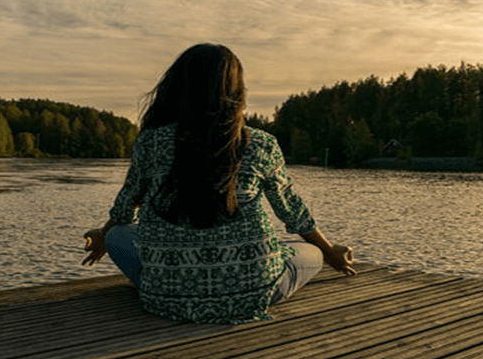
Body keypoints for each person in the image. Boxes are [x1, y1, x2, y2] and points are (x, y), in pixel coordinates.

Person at [81, 43, 355, 324]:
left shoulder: (151, 141)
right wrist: (329, 250)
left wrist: (104, 234)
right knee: (310, 253)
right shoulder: (260, 143)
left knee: (118, 236)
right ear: (236, 91)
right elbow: (292, 210)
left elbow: (126, 207)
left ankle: (166, 280)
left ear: (177, 87)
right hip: (252, 294)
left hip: (165, 299)